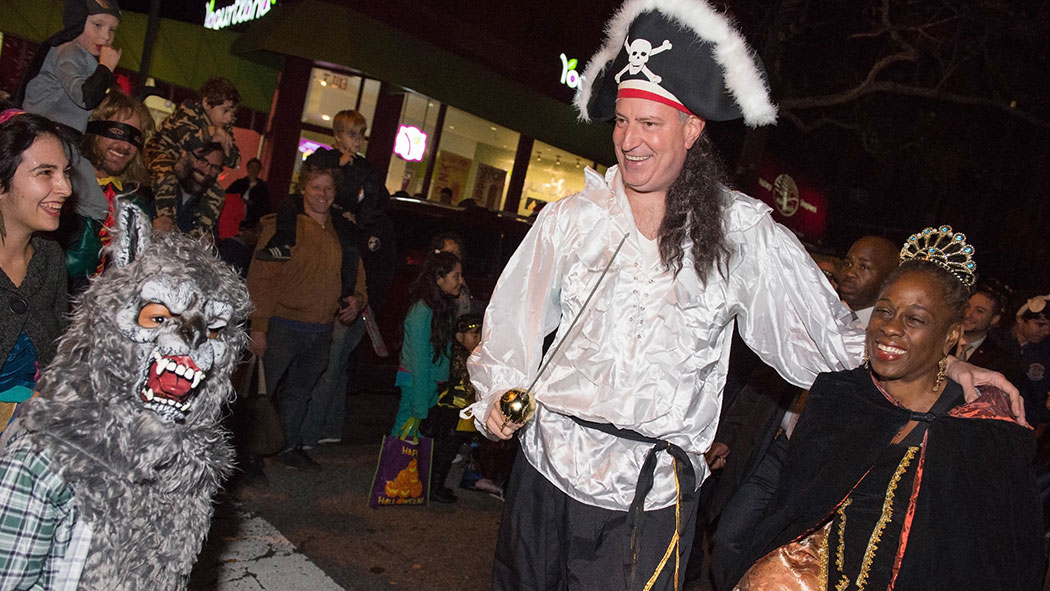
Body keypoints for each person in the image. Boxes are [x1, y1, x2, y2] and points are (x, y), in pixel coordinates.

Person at [466, 2, 1020, 589]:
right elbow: (511, 326)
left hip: (645, 500)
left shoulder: (740, 235)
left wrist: (942, 362)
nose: (629, 140)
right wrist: (499, 393)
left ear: (692, 128)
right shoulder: (571, 219)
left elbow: (827, 340)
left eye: (649, 124)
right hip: (543, 471)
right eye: (622, 121)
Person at [730, 227, 1043, 591]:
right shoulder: (840, 397)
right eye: (885, 311)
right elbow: (794, 515)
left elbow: (1002, 553)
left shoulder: (980, 424)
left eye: (916, 319)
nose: (890, 328)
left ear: (953, 334)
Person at [710, 235, 900, 589]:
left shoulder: (886, 337)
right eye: (849, 262)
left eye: (864, 266)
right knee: (728, 538)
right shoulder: (813, 314)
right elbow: (763, 378)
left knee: (777, 551)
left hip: (823, 465)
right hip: (776, 447)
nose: (850, 272)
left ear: (888, 279)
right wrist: (728, 433)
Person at [247, 165, 354, 472]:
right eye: (316, 187)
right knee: (262, 394)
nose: (323, 194)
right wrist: (259, 326)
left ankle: (288, 447)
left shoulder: (339, 230)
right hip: (282, 326)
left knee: (300, 393)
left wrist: (357, 297)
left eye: (329, 188)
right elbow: (262, 279)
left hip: (320, 330)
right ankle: (249, 456)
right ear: (303, 189)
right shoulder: (285, 227)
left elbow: (354, 269)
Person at [19, 0, 123, 240]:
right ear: (78, 23)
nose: (106, 36)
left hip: (62, 141)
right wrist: (106, 68)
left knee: (85, 203)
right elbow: (84, 97)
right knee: (93, 205)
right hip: (50, 137)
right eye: (98, 25)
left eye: (112, 29)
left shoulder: (85, 57)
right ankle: (73, 258)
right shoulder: (69, 51)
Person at [0, 111, 73, 430]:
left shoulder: (50, 258)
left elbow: (58, 361)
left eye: (65, 173)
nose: (66, 188)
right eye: (46, 172)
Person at [61, 89, 154, 292]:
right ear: (94, 130)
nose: (124, 145)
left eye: (133, 137)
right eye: (116, 132)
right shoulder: (63, 185)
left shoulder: (134, 204)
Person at [392, 251, 463, 502]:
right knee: (405, 435)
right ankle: (393, 484)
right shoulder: (422, 312)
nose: (460, 281)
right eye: (455, 275)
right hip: (416, 384)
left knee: (416, 438)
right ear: (439, 277)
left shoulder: (439, 308)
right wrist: (421, 406)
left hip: (427, 384)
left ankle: (409, 486)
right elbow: (420, 362)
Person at [146, 77, 241, 238]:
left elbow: (234, 161)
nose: (228, 118)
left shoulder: (224, 128)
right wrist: (210, 132)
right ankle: (166, 219)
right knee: (166, 175)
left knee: (216, 192)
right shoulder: (189, 110)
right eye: (225, 111)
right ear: (206, 104)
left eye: (232, 113)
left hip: (184, 165)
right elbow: (187, 140)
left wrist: (227, 146)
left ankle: (200, 233)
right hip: (161, 152)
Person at [422, 312, 483, 502]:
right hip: (451, 412)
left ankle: (436, 486)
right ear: (459, 336)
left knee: (450, 450)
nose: (478, 340)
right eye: (474, 336)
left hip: (463, 412)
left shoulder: (472, 355)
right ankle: (433, 488)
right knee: (444, 451)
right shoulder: (458, 357)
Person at [223, 156, 270, 231]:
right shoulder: (238, 184)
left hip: (251, 220)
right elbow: (227, 195)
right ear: (247, 168)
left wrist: (250, 203)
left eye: (256, 168)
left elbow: (264, 205)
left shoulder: (262, 188)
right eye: (251, 167)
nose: (253, 170)